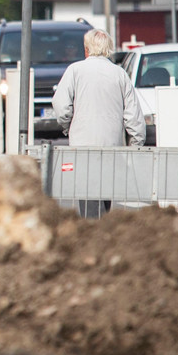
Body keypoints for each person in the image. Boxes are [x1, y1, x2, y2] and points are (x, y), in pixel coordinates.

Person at [51, 28, 145, 218]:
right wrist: (135, 144)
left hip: (82, 143)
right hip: (111, 144)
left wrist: (68, 125)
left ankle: (91, 229)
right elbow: (133, 114)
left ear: (86, 49)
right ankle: (103, 229)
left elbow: (60, 105)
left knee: (86, 192)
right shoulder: (119, 74)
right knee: (106, 190)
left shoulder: (75, 70)